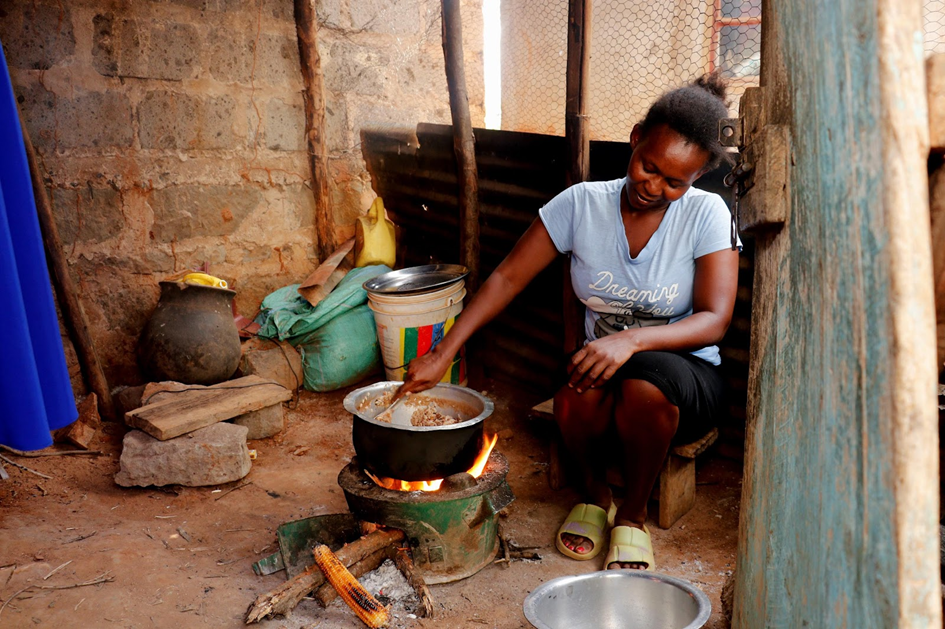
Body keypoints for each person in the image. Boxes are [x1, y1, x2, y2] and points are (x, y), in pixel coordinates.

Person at [395, 73, 740, 571]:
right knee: (573, 395)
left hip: (685, 374)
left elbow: (714, 320)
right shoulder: (581, 204)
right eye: (649, 167)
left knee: (644, 384)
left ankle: (633, 518)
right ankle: (596, 499)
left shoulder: (708, 214)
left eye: (675, 182)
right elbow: (507, 278)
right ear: (635, 138)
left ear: (697, 177)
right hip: (603, 364)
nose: (654, 187)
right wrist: (441, 353)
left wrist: (631, 341)